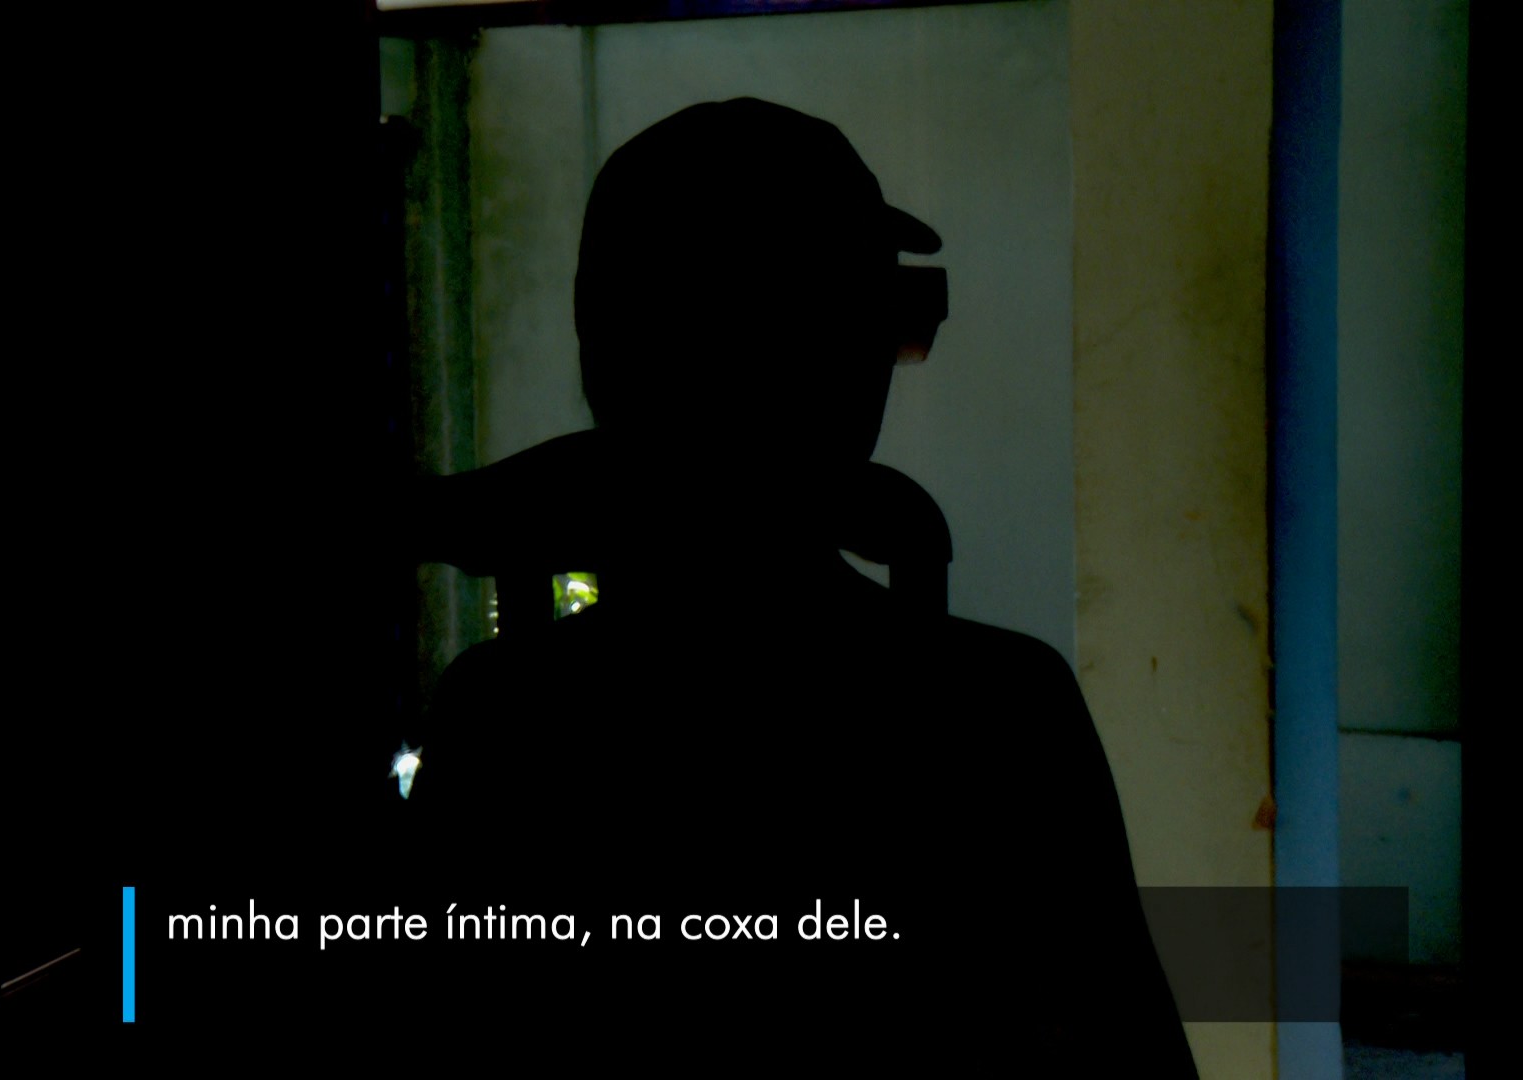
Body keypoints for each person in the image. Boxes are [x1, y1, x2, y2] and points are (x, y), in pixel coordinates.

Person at [409, 98, 1197, 1074]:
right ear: (848, 365)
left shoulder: (502, 717)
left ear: (600, 351)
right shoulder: (1004, 710)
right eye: (880, 314)